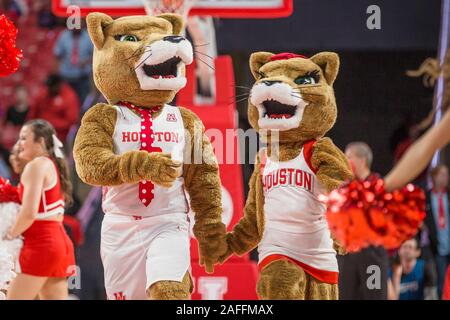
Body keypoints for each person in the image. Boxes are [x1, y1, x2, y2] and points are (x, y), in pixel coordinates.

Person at [5, 119, 75, 300]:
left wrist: (7, 237)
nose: (18, 143)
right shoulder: (50, 164)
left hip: (41, 244)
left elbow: (29, 213)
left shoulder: (36, 165)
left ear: (41, 142)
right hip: (59, 243)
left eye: (23, 138)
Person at [338, 142, 389, 299]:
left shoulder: (378, 184)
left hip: (371, 253)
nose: (344, 161)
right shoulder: (344, 187)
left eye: (348, 157)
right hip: (348, 253)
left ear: (362, 160)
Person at [27, 74, 80, 143]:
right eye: (48, 86)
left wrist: (50, 124)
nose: (49, 88)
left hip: (60, 136)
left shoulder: (69, 97)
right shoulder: (43, 93)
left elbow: (71, 121)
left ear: (59, 85)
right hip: (41, 133)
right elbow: (33, 114)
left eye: (52, 86)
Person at [424, 164, 450, 298]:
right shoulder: (426, 197)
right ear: (434, 177)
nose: (446, 177)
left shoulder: (448, 195)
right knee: (442, 281)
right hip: (438, 245)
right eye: (442, 174)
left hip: (448, 240)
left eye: (447, 174)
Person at [53, 23, 93, 104]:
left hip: (82, 78)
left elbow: (97, 55)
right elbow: (57, 54)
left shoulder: (89, 37)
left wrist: (87, 61)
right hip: (66, 77)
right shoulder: (64, 35)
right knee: (66, 101)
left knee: (82, 102)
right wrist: (56, 72)